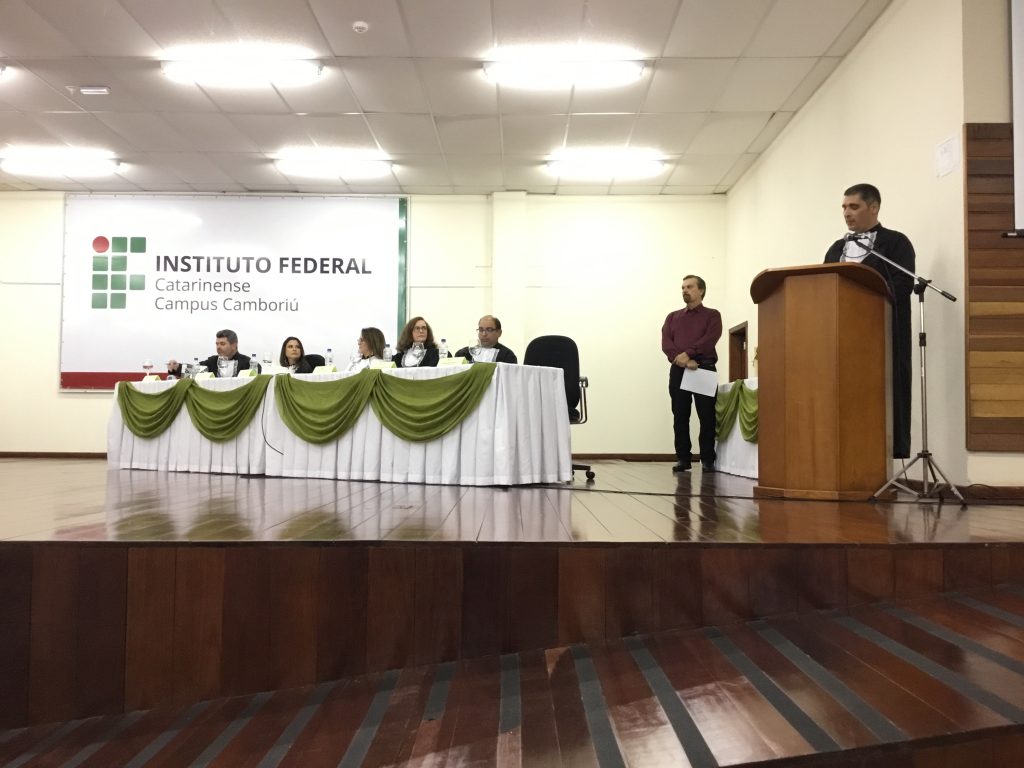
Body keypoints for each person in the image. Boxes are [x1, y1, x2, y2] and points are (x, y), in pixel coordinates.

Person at [824, 183, 915, 459]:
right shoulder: (836, 249)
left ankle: (882, 458)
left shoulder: (895, 244)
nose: (846, 213)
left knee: (883, 397)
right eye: (844, 207)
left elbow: (902, 285)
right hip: (843, 338)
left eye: (854, 206)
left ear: (873, 207)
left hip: (882, 336)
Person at [661, 275, 722, 473]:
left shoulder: (712, 315)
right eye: (683, 288)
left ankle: (707, 459)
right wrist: (684, 361)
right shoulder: (672, 317)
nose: (684, 290)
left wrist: (688, 354)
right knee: (680, 415)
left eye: (689, 287)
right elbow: (666, 343)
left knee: (707, 416)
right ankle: (683, 458)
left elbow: (710, 339)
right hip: (679, 370)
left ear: (701, 290)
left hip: (703, 369)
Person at [167, 328, 258, 378]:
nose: (218, 347)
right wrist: (176, 367)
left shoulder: (247, 363)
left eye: (222, 344)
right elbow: (194, 370)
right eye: (217, 344)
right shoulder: (212, 361)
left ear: (234, 345)